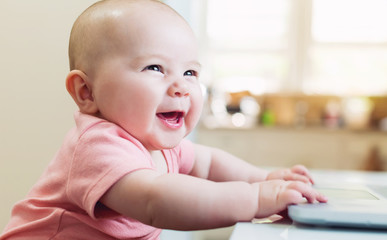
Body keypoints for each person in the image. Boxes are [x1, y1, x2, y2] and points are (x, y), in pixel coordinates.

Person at [0, 0, 327, 239]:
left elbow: (209, 162)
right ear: (87, 91)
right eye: (154, 68)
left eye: (190, 72)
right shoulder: (98, 146)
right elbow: (156, 200)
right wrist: (257, 199)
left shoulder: (156, 143)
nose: (182, 86)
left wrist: (264, 177)